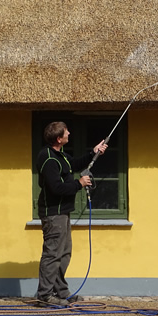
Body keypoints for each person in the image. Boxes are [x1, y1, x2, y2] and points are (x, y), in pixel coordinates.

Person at [36, 121, 107, 306]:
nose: (69, 132)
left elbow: (75, 164)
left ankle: (61, 292)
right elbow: (56, 188)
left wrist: (94, 152)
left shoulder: (60, 155)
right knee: (52, 254)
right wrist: (79, 184)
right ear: (59, 138)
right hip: (53, 214)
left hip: (63, 213)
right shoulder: (49, 159)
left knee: (64, 253)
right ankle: (44, 296)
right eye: (66, 131)